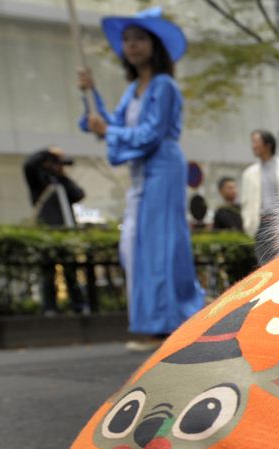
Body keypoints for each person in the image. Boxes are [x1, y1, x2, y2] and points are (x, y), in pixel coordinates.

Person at [78, 7, 205, 348]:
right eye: (127, 40)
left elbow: (150, 134)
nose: (131, 45)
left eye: (139, 39)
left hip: (162, 167)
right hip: (142, 175)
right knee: (136, 245)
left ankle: (167, 324)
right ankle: (164, 319)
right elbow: (113, 126)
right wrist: (89, 95)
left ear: (154, 45)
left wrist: (109, 130)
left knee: (160, 245)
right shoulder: (134, 89)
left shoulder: (164, 86)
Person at [22, 147, 88, 315]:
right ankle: (50, 308)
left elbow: (79, 194)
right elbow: (29, 164)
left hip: (66, 231)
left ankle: (79, 305)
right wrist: (49, 153)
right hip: (47, 231)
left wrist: (62, 175)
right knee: (48, 271)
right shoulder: (38, 180)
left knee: (71, 270)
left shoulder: (61, 181)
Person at [240, 129, 279, 263]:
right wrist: (248, 221)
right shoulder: (249, 173)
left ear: (268, 145)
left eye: (256, 142)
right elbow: (246, 202)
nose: (253, 146)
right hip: (260, 223)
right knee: (263, 263)